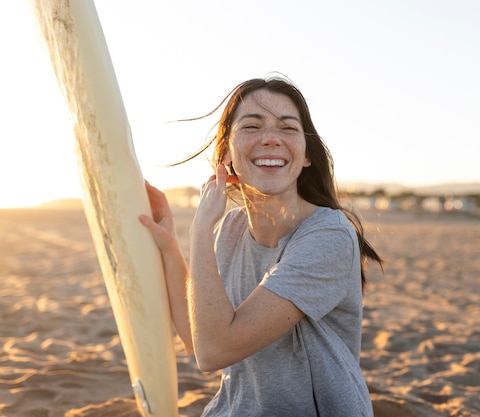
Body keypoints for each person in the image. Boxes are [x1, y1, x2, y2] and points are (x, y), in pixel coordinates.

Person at [139, 75, 382, 416]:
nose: (271, 139)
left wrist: (198, 231)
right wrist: (170, 246)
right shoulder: (230, 230)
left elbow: (214, 351)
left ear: (307, 154)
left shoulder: (328, 236)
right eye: (251, 127)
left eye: (287, 128)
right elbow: (200, 341)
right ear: (225, 154)